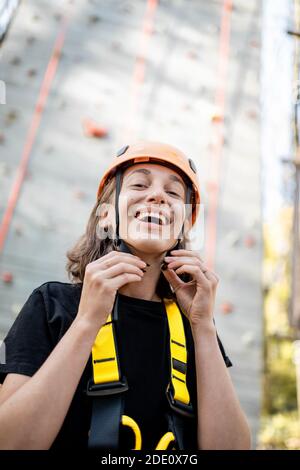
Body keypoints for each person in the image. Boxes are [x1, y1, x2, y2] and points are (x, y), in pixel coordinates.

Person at [0, 141, 251, 450]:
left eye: (173, 193)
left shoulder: (194, 325)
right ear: (106, 216)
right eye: (140, 184)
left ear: (183, 227)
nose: (157, 195)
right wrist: (87, 320)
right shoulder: (53, 306)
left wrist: (203, 326)